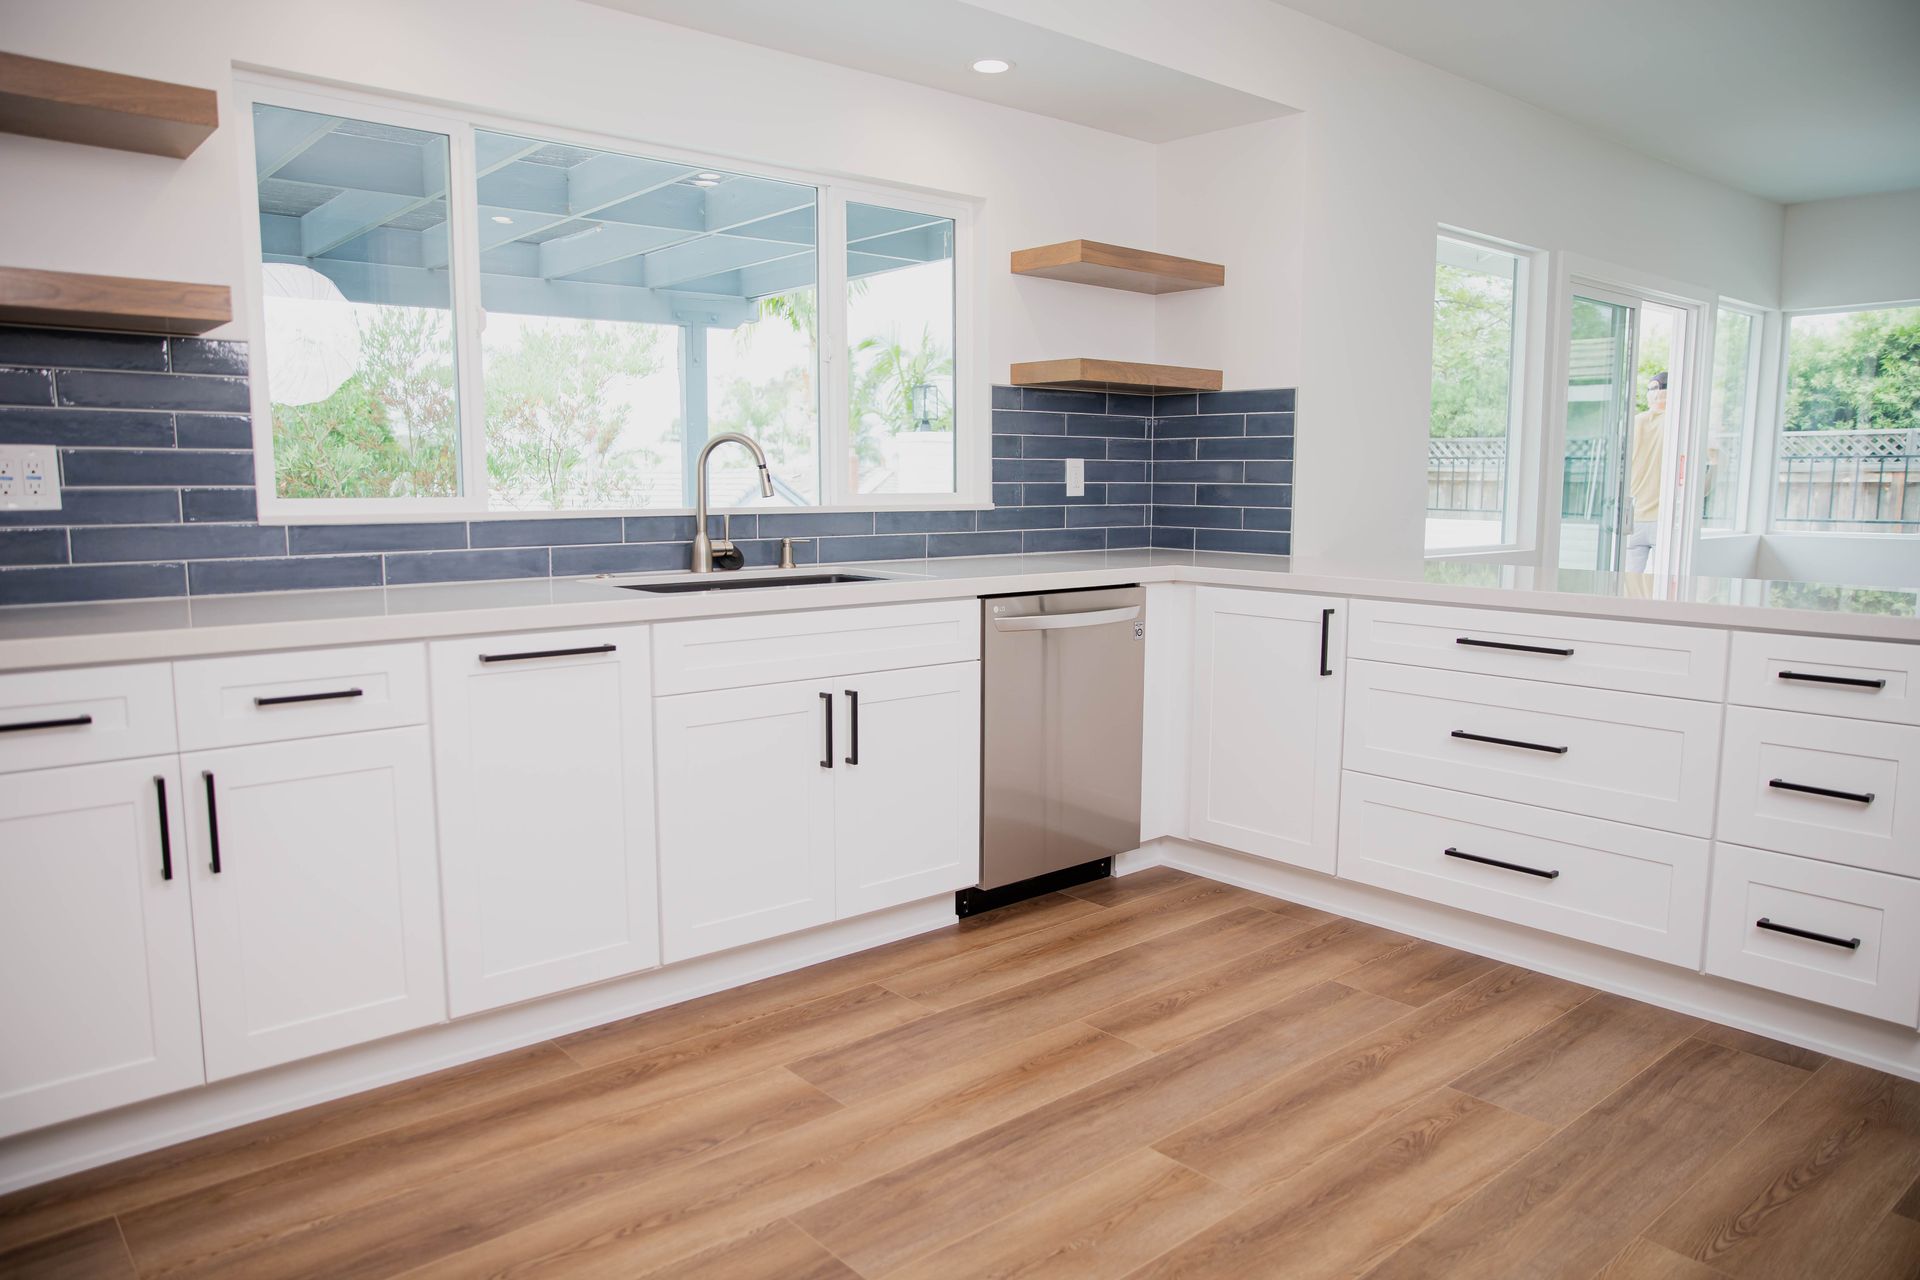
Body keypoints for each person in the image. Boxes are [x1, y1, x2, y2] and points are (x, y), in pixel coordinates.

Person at [1625, 371, 1668, 573]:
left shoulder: (1634, 422)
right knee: (1663, 584)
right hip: (1663, 519)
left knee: (1628, 583)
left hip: (1634, 516)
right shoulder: (1678, 426)